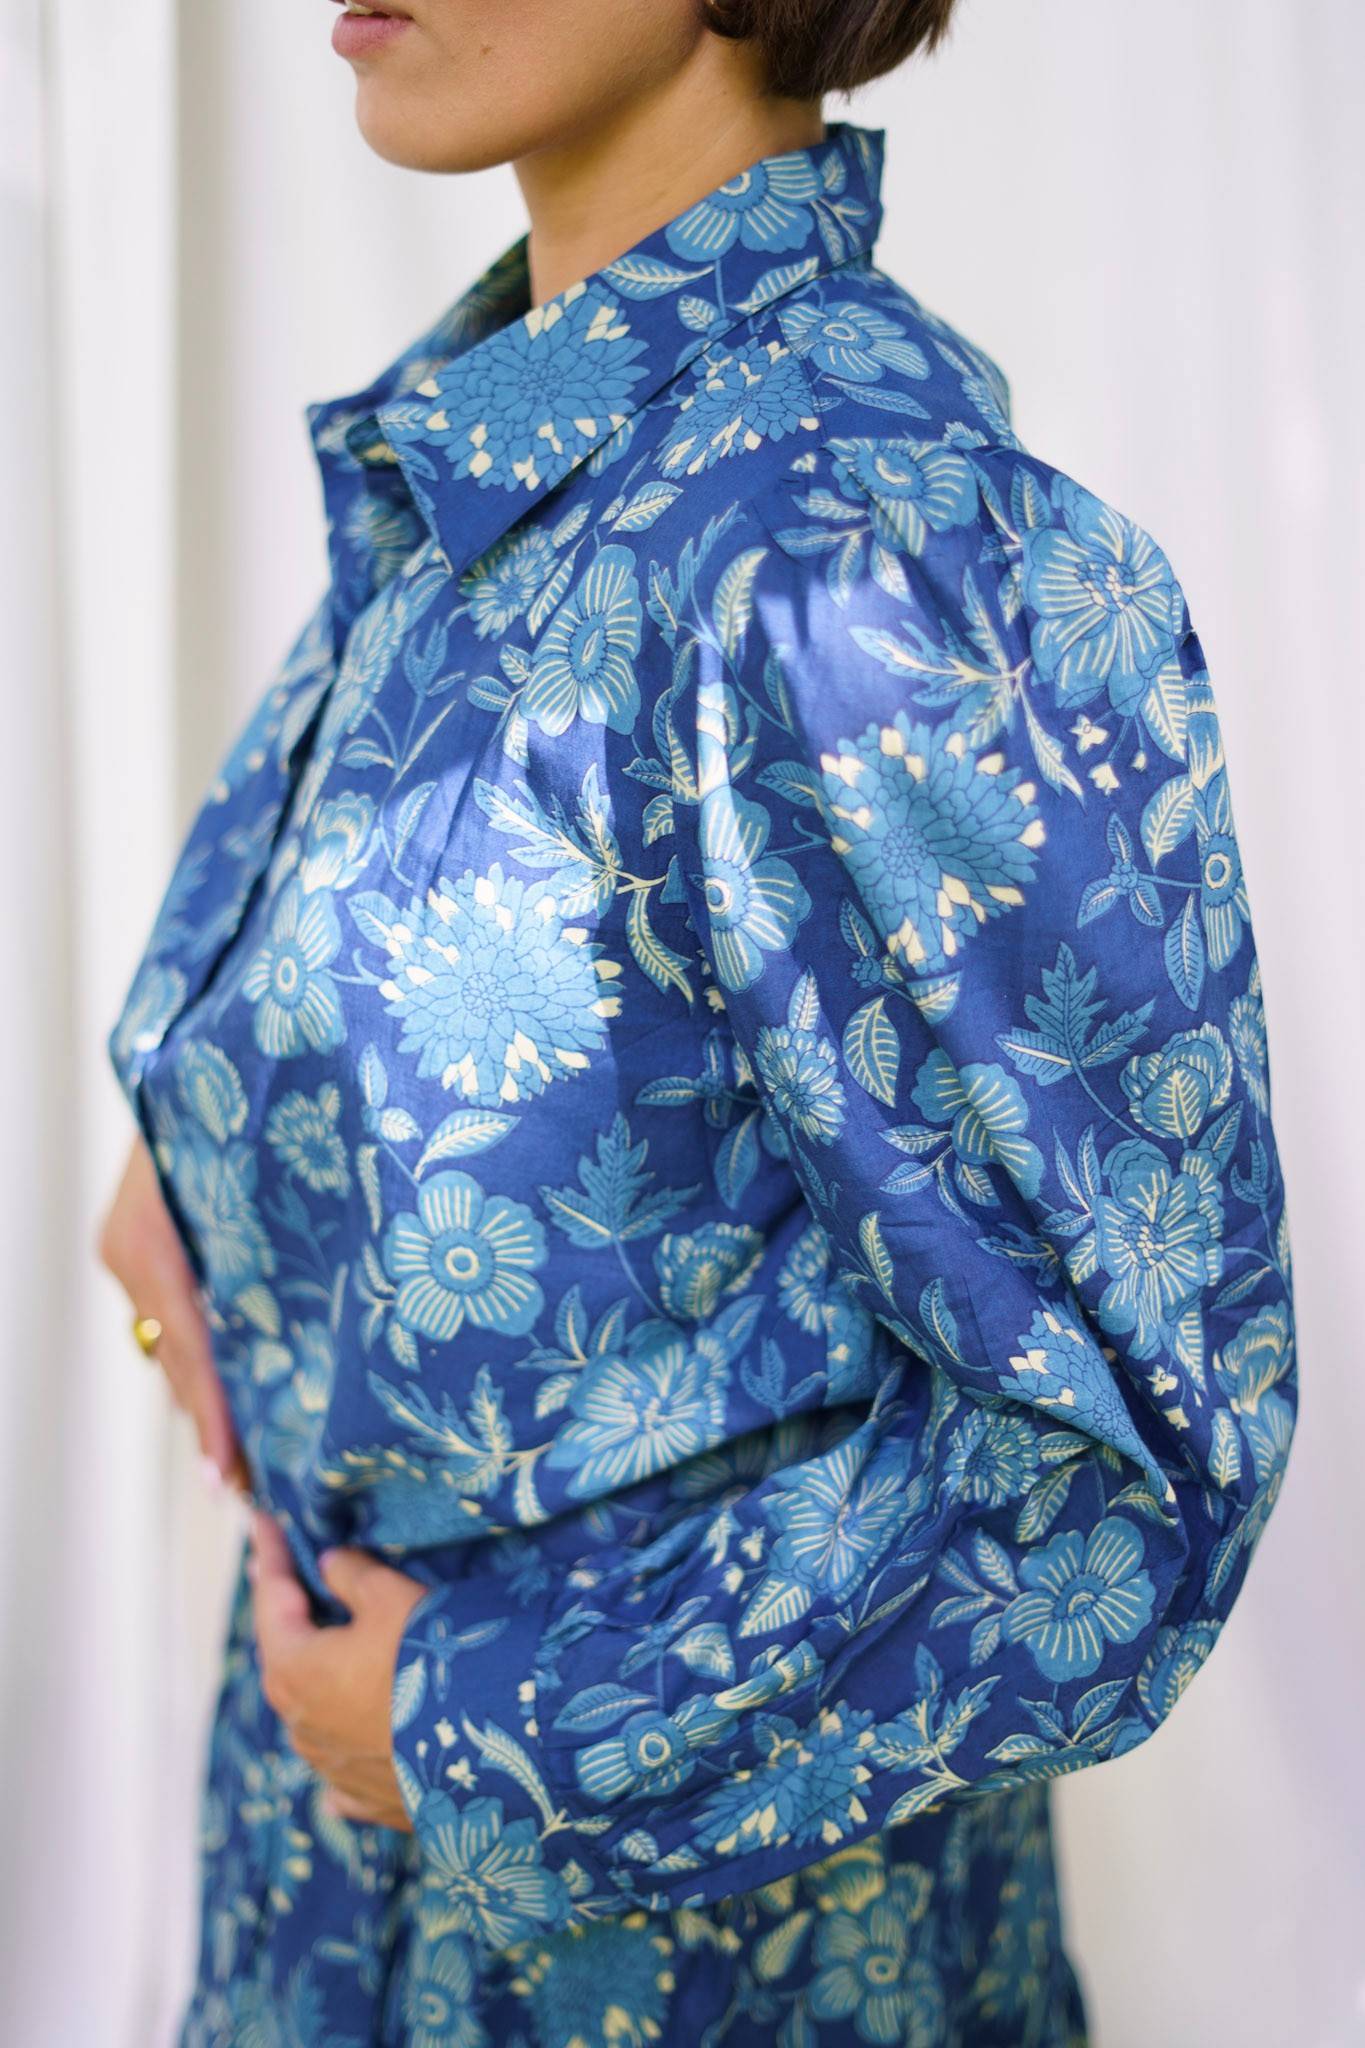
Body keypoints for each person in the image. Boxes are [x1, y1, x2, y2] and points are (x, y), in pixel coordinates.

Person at [97, 2, 1299, 2041]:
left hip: (698, 1970)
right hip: (338, 1880)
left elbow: (1126, 1477)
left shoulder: (858, 545)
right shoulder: (523, 447)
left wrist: (472, 1727)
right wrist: (210, 1157)